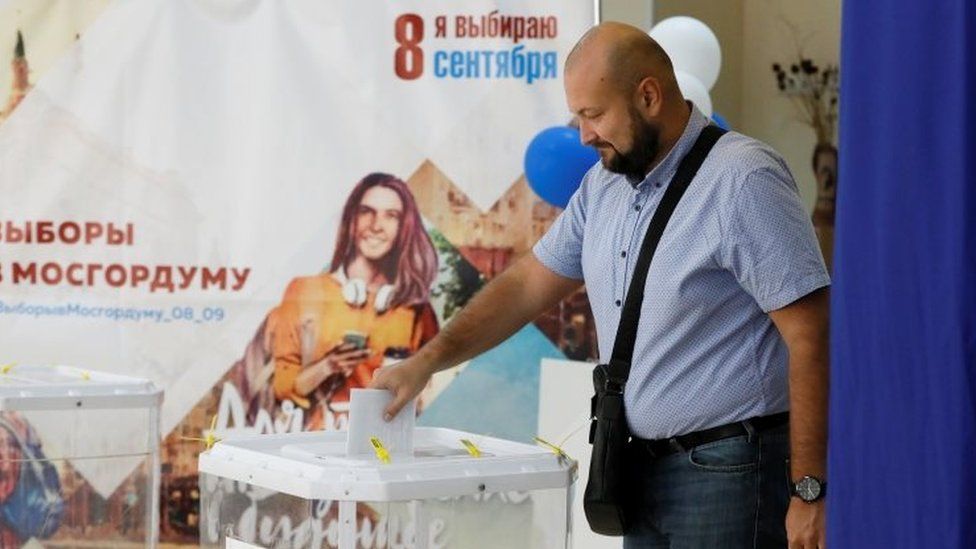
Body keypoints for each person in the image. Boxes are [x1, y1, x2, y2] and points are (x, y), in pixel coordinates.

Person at [372, 22, 830, 549]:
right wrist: (426, 361)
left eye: (594, 114)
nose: (584, 134)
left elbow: (811, 335)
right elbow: (525, 286)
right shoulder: (602, 185)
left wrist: (810, 489)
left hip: (730, 473)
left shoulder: (743, 179)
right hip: (636, 471)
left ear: (649, 96)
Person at [272, 172, 440, 431]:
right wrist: (328, 365)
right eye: (366, 212)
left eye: (391, 215)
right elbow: (284, 387)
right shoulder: (305, 290)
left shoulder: (416, 308)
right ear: (351, 220)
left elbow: (428, 389)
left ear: (404, 227)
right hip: (316, 443)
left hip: (386, 443)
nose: (376, 225)